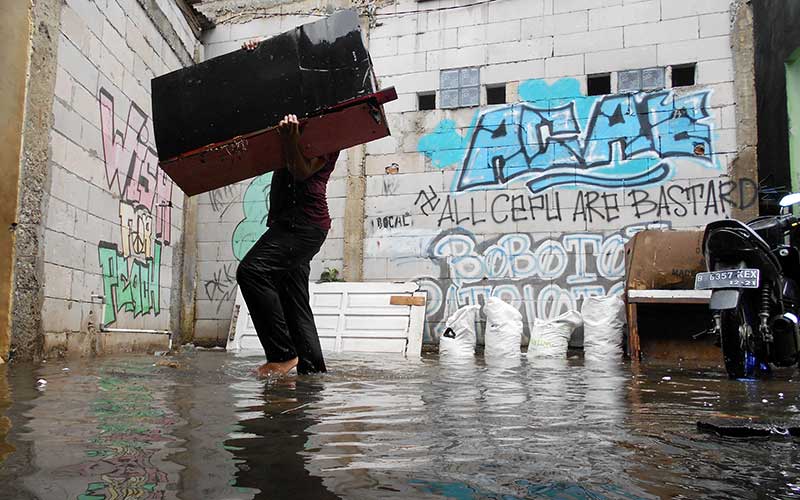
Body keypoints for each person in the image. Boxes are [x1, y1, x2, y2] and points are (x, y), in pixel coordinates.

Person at [236, 39, 338, 378]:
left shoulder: (332, 129)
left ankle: (282, 354)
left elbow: (301, 170)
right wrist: (259, 57)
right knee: (296, 302)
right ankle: (313, 371)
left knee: (251, 271)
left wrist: (290, 139)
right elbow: (273, 87)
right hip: (294, 223)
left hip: (303, 226)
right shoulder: (299, 114)